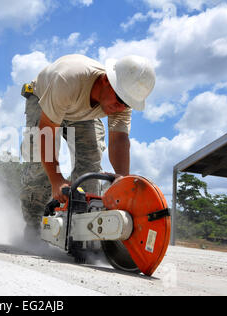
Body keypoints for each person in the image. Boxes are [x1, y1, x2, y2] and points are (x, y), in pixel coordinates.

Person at [20, 54, 156, 241]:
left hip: (82, 112)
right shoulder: (68, 79)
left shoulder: (122, 100)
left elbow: (119, 139)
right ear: (107, 80)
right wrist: (56, 179)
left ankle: (81, 231)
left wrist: (122, 181)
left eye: (127, 104)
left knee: (91, 163)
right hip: (44, 98)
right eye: (119, 101)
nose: (121, 108)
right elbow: (47, 133)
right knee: (40, 167)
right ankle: (33, 230)